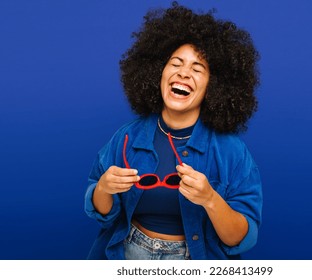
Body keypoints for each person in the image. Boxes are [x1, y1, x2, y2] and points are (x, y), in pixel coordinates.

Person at [85, 2, 262, 260]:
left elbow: (240, 238)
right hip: (128, 255)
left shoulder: (231, 151)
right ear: (159, 71)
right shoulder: (127, 138)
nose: (183, 73)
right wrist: (103, 188)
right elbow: (102, 212)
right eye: (175, 63)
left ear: (215, 86)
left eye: (197, 68)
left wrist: (210, 199)